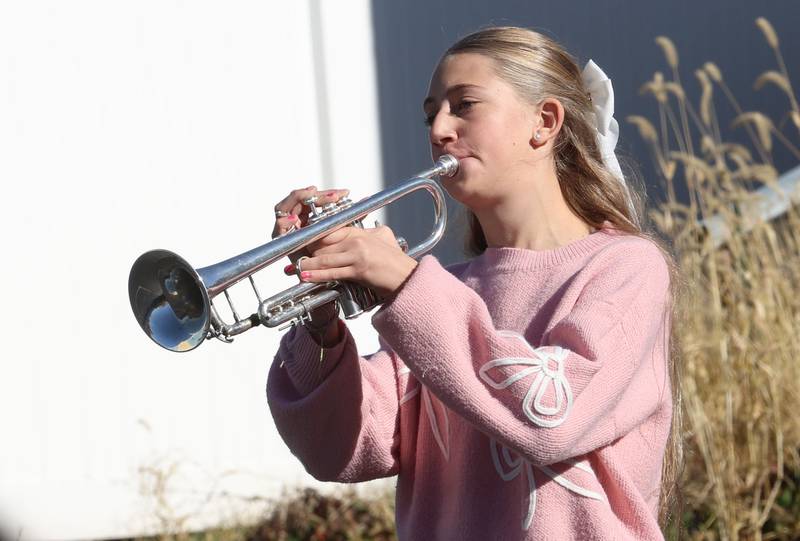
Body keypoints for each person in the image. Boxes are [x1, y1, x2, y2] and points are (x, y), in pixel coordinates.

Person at [267, 26, 680, 540]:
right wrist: (319, 318)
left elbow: (551, 416)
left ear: (544, 122)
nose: (439, 128)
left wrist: (404, 283)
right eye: (431, 113)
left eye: (464, 106)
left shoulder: (627, 268)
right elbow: (341, 450)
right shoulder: (444, 292)